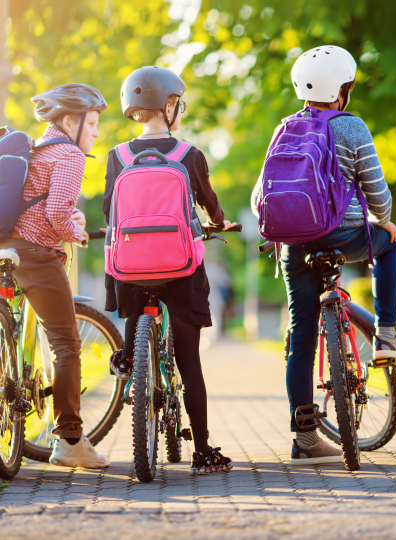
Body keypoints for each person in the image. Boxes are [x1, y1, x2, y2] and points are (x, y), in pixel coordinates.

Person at [251, 45, 396, 465]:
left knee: (302, 335)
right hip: (344, 236)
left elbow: (260, 196)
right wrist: (384, 220)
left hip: (294, 244)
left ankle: (305, 438)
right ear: (343, 89)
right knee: (391, 242)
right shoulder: (352, 127)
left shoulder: (284, 128)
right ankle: (387, 331)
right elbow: (378, 194)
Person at [103, 66, 234, 474]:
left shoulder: (117, 156)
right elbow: (209, 204)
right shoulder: (188, 155)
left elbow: (111, 208)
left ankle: (128, 358)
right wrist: (219, 222)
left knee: (133, 297)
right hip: (180, 268)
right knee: (189, 361)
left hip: (129, 267)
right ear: (170, 105)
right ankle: (203, 452)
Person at [0, 84, 111, 468]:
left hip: (8, 248)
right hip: (36, 254)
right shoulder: (68, 154)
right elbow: (56, 215)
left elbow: (38, 203)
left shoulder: (33, 149)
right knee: (67, 343)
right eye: (93, 123)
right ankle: (70, 440)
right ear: (69, 121)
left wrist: (69, 220)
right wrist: (77, 232)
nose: (96, 132)